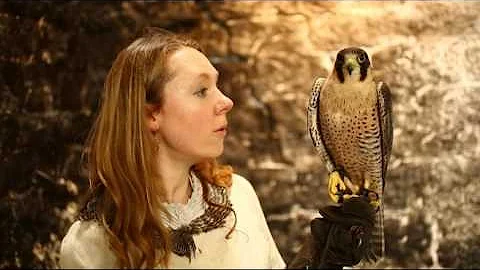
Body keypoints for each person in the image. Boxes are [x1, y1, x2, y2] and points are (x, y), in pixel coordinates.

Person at [59, 27, 376, 269]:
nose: (226, 101)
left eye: (217, 86)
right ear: (150, 114)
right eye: (201, 91)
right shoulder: (90, 244)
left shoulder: (239, 196)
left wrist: (320, 261)